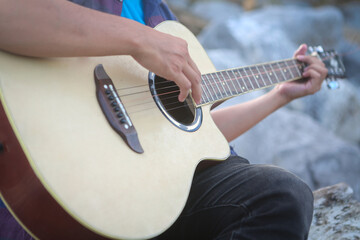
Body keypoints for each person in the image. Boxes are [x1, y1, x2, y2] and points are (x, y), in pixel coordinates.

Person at [0, 0, 328, 239]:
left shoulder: (158, 13)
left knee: (278, 196)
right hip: (64, 190)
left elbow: (191, 144)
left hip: (152, 199)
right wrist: (139, 39)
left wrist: (280, 95)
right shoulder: (154, 31)